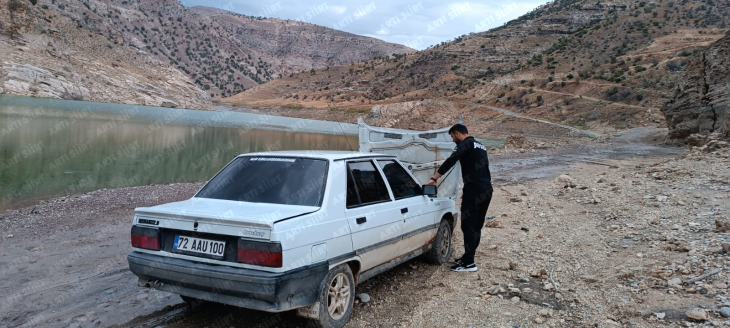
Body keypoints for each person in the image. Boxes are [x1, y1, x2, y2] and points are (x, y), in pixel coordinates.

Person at [427, 124, 492, 272]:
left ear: (457, 133)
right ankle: (469, 257)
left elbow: (451, 160)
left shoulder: (466, 143)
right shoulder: (480, 145)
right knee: (476, 226)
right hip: (486, 188)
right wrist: (468, 188)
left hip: (475, 189)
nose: (452, 140)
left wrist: (434, 178)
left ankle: (469, 263)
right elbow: (482, 168)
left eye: (452, 136)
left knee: (468, 225)